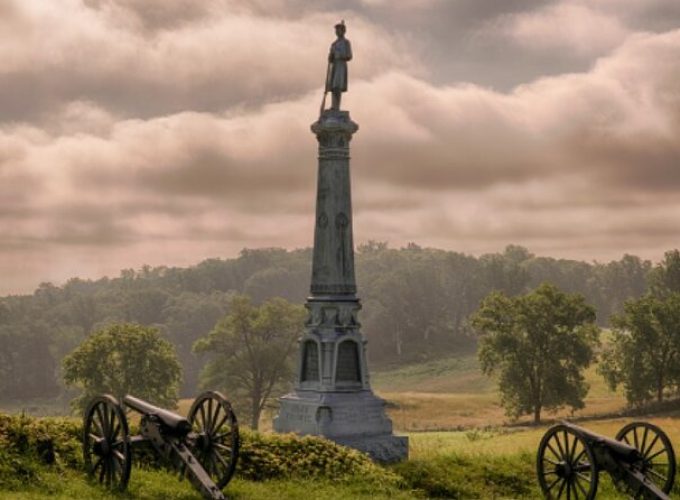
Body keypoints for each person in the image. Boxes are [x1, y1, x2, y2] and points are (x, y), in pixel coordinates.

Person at [326, 21, 352, 111]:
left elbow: (349, 56)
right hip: (335, 66)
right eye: (336, 30)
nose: (337, 32)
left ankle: (336, 107)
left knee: (338, 86)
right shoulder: (334, 44)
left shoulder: (346, 42)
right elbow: (330, 59)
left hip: (341, 66)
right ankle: (333, 106)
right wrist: (331, 56)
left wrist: (340, 55)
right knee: (333, 87)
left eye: (338, 30)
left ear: (343, 31)